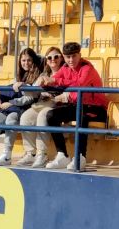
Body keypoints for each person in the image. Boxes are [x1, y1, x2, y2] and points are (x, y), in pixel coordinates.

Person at [0, 49, 46, 166]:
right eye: (23, 60)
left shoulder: (38, 76)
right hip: (11, 106)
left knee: (11, 118)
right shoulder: (18, 75)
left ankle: (7, 155)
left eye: (29, 60)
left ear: (34, 61)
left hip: (25, 108)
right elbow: (8, 91)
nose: (26, 63)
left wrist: (12, 102)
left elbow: (31, 98)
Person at [44, 42, 108, 170]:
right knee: (51, 115)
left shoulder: (87, 68)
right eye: (68, 57)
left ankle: (80, 157)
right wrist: (43, 81)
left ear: (79, 55)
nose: (71, 60)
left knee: (82, 116)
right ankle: (62, 155)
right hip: (79, 105)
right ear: (64, 57)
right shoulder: (65, 68)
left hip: (97, 108)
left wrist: (55, 81)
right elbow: (54, 79)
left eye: (74, 56)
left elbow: (79, 83)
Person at [15, 48, 63, 168]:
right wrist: (23, 85)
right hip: (41, 104)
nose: (53, 60)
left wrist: (54, 96)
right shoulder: (44, 74)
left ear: (61, 58)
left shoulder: (65, 72)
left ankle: (42, 154)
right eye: (49, 57)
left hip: (56, 105)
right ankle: (30, 153)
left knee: (43, 116)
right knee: (26, 117)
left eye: (56, 56)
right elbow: (34, 92)